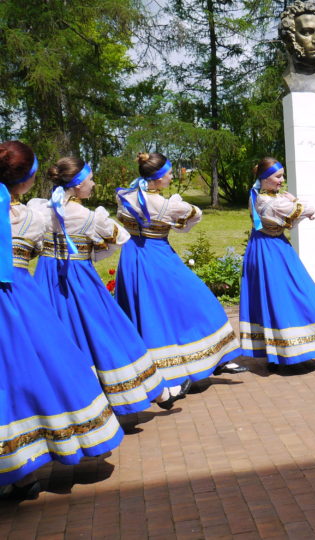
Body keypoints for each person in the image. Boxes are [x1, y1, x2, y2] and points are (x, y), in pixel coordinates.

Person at [1, 141, 124, 501]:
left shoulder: (35, 212)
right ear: (25, 180)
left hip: (19, 294)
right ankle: (35, 460)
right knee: (45, 368)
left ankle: (16, 469)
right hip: (17, 299)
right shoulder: (32, 217)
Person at [33, 157, 187, 414]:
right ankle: (153, 391)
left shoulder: (40, 210)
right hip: (78, 278)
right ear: (79, 184)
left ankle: (78, 401)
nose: (93, 184)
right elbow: (116, 239)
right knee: (109, 331)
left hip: (47, 278)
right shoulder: (87, 216)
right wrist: (89, 253)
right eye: (90, 179)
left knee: (61, 334)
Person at [115, 152, 244, 385]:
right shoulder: (161, 204)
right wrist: (177, 204)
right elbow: (193, 216)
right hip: (157, 257)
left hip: (132, 257)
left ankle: (157, 369)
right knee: (198, 299)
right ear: (158, 178)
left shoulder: (126, 195)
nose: (172, 177)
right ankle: (207, 358)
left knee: (150, 309)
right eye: (170, 173)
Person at [239, 158, 315, 368]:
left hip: (262, 248)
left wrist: (292, 202)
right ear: (264, 178)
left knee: (273, 299)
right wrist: (295, 200)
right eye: (278, 176)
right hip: (273, 251)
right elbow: (307, 209)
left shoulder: (258, 196)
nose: (282, 180)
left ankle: (286, 353)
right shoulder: (272, 201)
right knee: (301, 296)